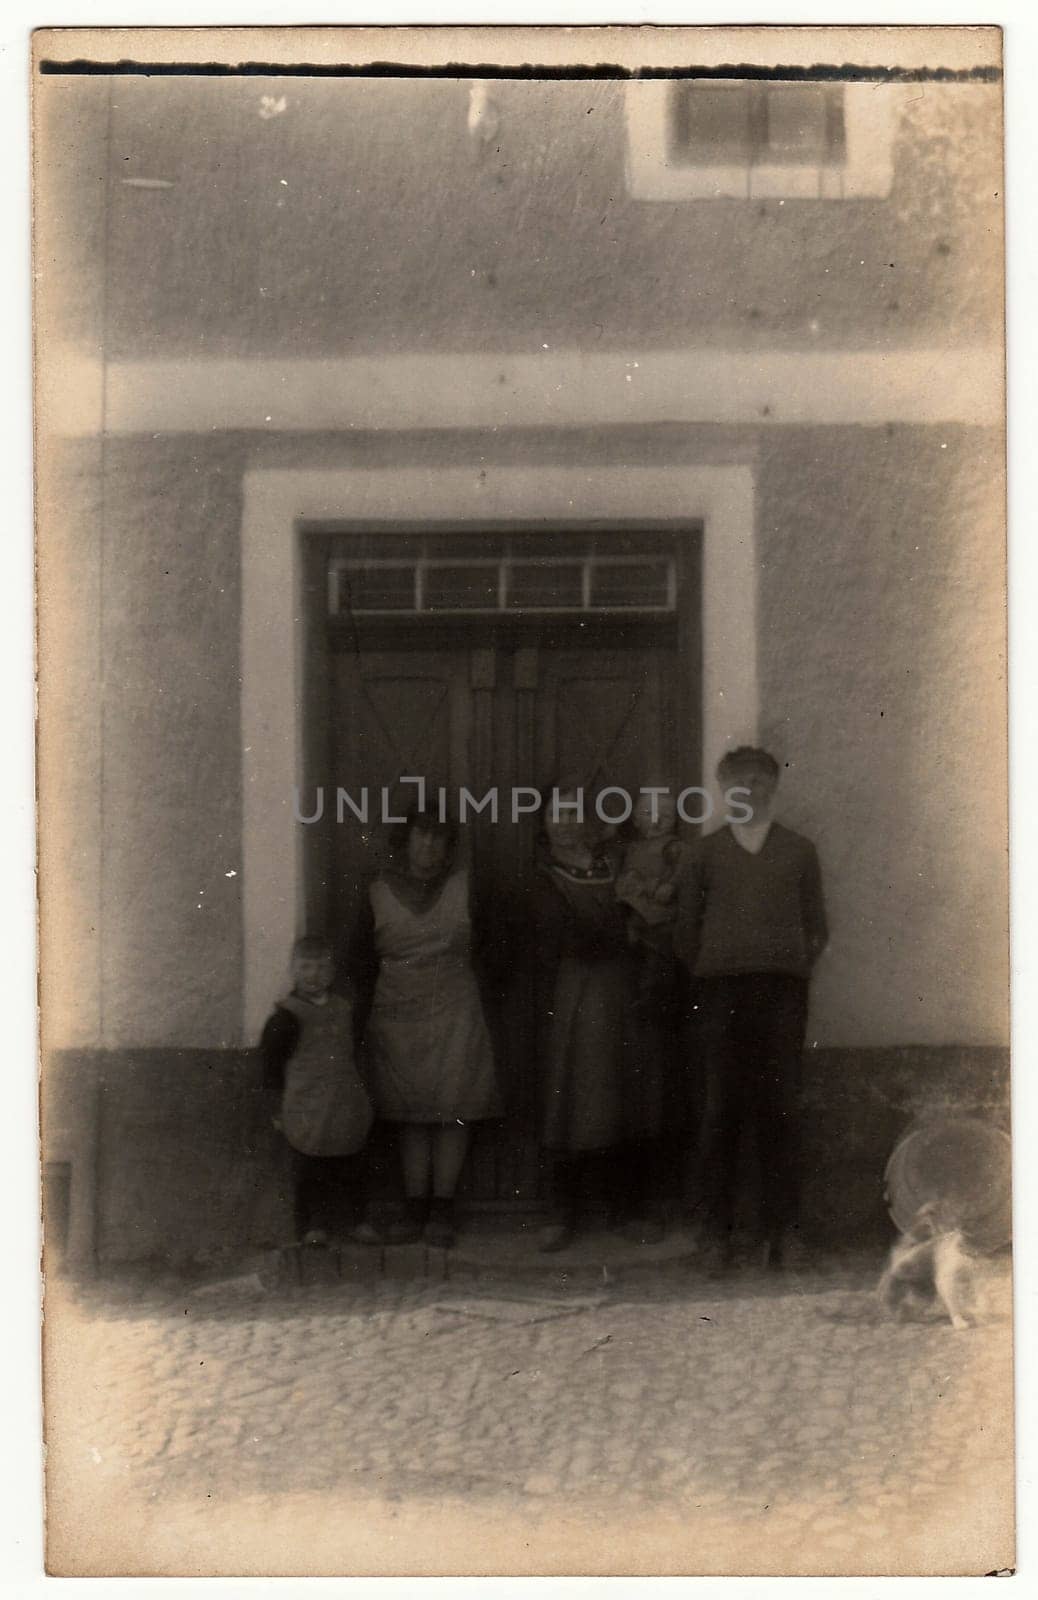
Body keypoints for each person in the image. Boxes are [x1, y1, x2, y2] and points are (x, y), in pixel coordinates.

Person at [676, 747, 829, 1270]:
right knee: (719, 1110)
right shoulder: (703, 854)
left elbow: (817, 927)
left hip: (781, 994)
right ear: (724, 790)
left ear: (773, 787)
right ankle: (715, 1236)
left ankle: (783, 1232)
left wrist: (780, 962)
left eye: (760, 782)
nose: (750, 791)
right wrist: (719, 963)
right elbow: (684, 932)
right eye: (739, 783)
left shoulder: (799, 851)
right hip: (720, 994)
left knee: (780, 1108)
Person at [350, 805, 503, 1249]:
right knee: (410, 1112)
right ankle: (415, 1207)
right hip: (398, 1011)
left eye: (439, 838)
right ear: (407, 840)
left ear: (448, 846)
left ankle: (442, 1209)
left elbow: (499, 942)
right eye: (422, 835)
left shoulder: (466, 887)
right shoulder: (377, 891)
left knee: (454, 1107)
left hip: (456, 1007)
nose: (429, 846)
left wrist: (480, 976)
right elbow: (359, 957)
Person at [532, 785, 642, 1252]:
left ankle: (624, 1209)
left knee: (622, 1092)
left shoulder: (615, 865)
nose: (565, 823)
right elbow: (568, 935)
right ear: (543, 824)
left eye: (573, 813)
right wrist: (619, 932)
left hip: (620, 995)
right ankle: (561, 1213)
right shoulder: (543, 877)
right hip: (571, 994)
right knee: (569, 1098)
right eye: (556, 815)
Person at [259, 934, 375, 1247]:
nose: (314, 975)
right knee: (311, 1167)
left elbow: (357, 1051)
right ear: (293, 970)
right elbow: (270, 1067)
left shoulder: (344, 1010)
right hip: (306, 1104)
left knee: (352, 1163)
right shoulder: (285, 1017)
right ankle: (313, 1225)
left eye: (322, 967)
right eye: (306, 967)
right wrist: (276, 1108)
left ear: (332, 972)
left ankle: (357, 1220)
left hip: (344, 1100)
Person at [614, 790, 692, 1239]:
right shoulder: (630, 849)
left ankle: (651, 993)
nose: (656, 820)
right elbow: (622, 879)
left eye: (664, 814)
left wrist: (664, 887)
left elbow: (682, 872)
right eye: (647, 814)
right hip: (637, 919)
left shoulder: (673, 848)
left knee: (658, 959)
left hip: (661, 923)